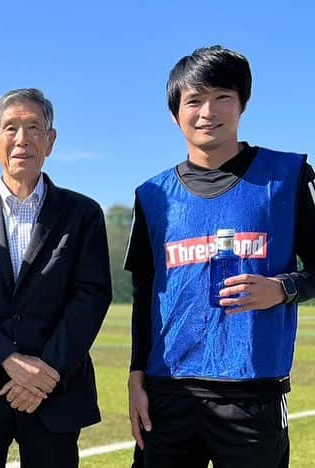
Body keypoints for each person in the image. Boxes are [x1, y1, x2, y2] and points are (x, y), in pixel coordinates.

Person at [126, 45, 315, 467]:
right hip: (169, 392)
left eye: (222, 97)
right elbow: (145, 294)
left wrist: (282, 288)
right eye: (194, 100)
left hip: (253, 395)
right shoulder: (153, 196)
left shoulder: (286, 177)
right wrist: (136, 377)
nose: (208, 111)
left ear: (242, 104)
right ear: (176, 114)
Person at [0, 88, 112, 468]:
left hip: (56, 391)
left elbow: (92, 296)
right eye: (11, 127)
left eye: (34, 127)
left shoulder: (82, 214)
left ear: (50, 141)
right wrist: (8, 360)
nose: (22, 138)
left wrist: (46, 372)